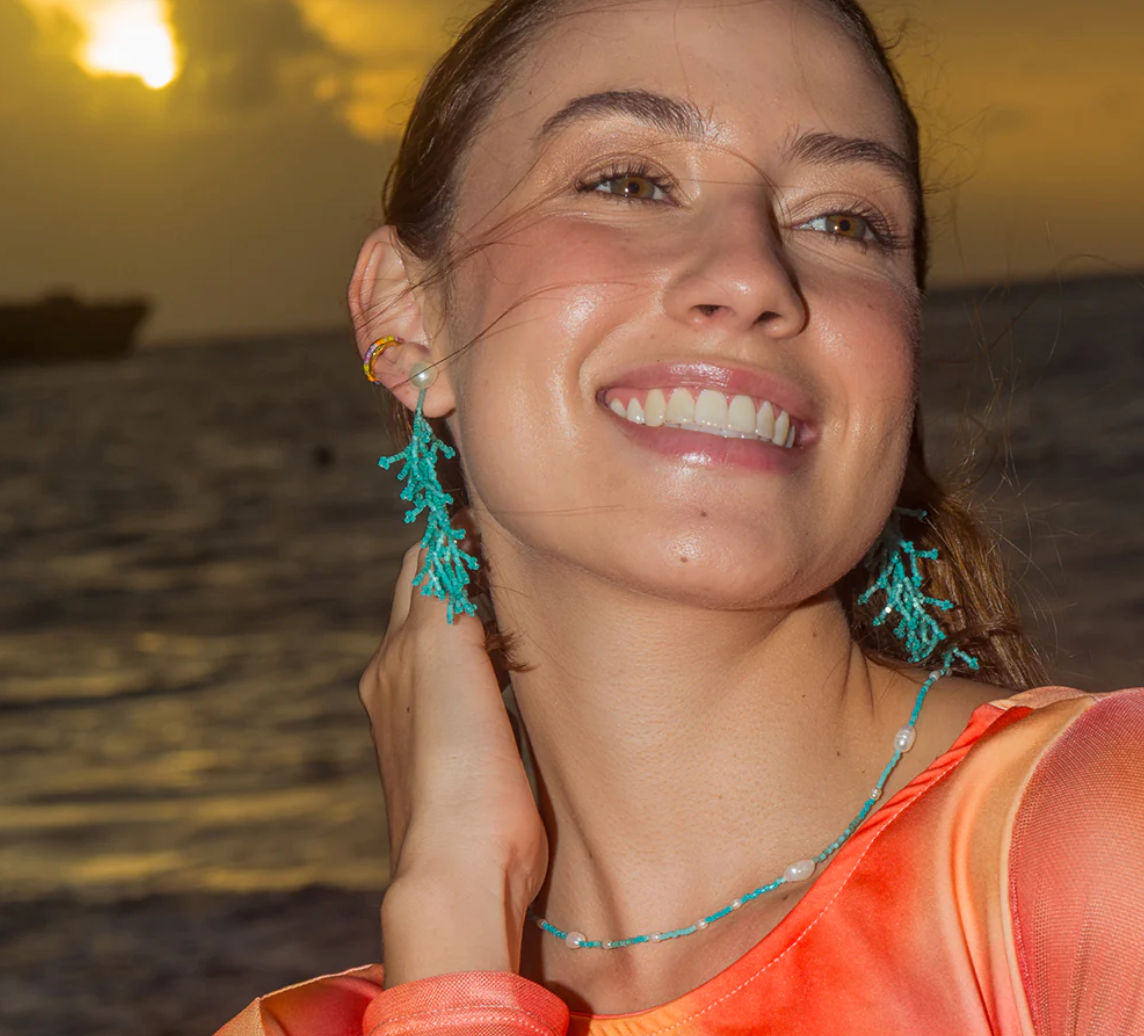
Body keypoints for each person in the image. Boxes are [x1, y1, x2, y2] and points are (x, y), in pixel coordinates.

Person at [216, 0, 1144, 1032]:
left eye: (843, 221)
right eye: (626, 182)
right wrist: (448, 916)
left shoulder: (1104, 842)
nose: (750, 275)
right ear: (403, 315)